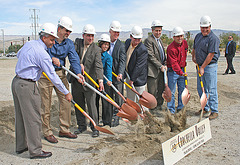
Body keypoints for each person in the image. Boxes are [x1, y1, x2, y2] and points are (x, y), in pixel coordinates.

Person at [11, 23, 72, 159]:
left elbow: (19, 54)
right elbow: (53, 77)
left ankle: (21, 146)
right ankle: (36, 150)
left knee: (20, 116)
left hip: (16, 82)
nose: (53, 42)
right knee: (34, 118)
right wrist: (66, 92)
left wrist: (42, 61)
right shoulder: (42, 54)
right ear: (44, 38)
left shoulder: (30, 44)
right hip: (27, 85)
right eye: (51, 39)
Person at [38, 16, 84, 144]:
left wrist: (79, 73)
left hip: (60, 75)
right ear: (59, 29)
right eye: (66, 31)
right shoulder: (48, 37)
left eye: (70, 31)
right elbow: (41, 50)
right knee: (45, 104)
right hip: (45, 75)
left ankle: (64, 129)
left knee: (66, 100)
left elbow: (74, 58)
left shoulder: (69, 43)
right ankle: (47, 132)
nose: (68, 33)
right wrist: (51, 58)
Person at [70, 24, 103, 137]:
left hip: (89, 82)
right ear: (83, 35)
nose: (90, 38)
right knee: (78, 104)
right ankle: (81, 126)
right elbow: (72, 56)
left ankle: (95, 127)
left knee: (92, 105)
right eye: (88, 35)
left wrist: (100, 80)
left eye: (92, 36)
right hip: (76, 80)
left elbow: (99, 66)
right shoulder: (77, 43)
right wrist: (79, 65)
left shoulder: (96, 49)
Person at [192, 15, 220, 120]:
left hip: (209, 67)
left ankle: (214, 111)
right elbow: (194, 48)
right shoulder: (198, 36)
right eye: (202, 27)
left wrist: (202, 67)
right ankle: (205, 108)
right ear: (200, 27)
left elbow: (210, 55)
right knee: (201, 89)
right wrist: (194, 57)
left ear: (210, 26)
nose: (204, 30)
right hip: (200, 66)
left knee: (211, 89)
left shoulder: (213, 39)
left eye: (206, 27)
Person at [144, 20, 167, 111]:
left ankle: (159, 106)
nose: (158, 32)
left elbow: (162, 55)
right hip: (153, 71)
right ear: (152, 30)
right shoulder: (149, 40)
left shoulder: (160, 40)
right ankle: (152, 109)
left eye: (160, 30)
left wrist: (165, 63)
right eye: (156, 30)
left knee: (161, 90)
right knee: (152, 92)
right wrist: (160, 66)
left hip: (161, 71)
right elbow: (150, 56)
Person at [108, 21, 126, 127]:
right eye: (114, 32)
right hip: (107, 75)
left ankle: (117, 116)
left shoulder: (121, 46)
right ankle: (108, 116)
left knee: (118, 97)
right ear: (110, 31)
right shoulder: (105, 42)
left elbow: (122, 61)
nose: (116, 34)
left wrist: (120, 73)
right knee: (109, 96)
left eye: (118, 33)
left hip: (117, 76)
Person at [166, 27, 188, 114]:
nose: (180, 38)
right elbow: (174, 64)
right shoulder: (171, 48)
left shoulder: (185, 43)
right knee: (171, 91)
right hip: (173, 71)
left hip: (182, 69)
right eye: (178, 36)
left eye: (181, 36)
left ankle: (180, 108)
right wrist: (181, 73)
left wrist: (183, 65)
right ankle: (171, 110)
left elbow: (185, 53)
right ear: (174, 37)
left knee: (182, 90)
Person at [124, 26, 148, 103]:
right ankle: (133, 113)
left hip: (138, 79)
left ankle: (142, 113)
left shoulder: (142, 49)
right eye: (135, 39)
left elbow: (139, 66)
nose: (137, 41)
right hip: (128, 75)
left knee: (140, 99)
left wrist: (132, 79)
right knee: (130, 98)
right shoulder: (127, 42)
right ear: (131, 36)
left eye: (139, 39)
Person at [96, 34, 113, 127]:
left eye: (107, 44)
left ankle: (107, 121)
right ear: (100, 44)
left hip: (105, 81)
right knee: (95, 101)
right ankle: (95, 121)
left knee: (106, 102)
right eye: (104, 44)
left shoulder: (108, 57)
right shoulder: (96, 53)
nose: (106, 46)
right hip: (95, 80)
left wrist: (109, 80)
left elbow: (108, 70)